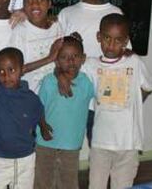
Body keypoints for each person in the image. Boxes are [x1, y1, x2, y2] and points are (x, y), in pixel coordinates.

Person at [58, 0, 126, 145]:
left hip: (103, 96)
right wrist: (60, 76)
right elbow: (57, 54)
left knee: (102, 144)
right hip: (73, 92)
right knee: (66, 141)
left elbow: (124, 54)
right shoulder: (67, 13)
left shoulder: (114, 13)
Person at [84, 14, 152, 189]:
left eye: (117, 40)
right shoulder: (90, 65)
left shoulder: (134, 62)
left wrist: (133, 104)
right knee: (96, 185)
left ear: (125, 41)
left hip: (127, 143)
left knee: (122, 186)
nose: (111, 45)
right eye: (107, 38)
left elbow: (147, 87)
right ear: (99, 37)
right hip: (100, 141)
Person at [34, 33, 95, 189]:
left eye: (75, 56)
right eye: (64, 57)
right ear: (56, 61)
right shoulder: (48, 81)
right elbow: (38, 108)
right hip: (45, 142)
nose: (70, 61)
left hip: (71, 145)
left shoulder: (87, 82)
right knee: (43, 182)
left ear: (83, 58)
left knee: (68, 183)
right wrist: (42, 127)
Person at [0, 48, 43, 189]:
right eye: (0, 71)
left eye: (11, 70)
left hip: (25, 160)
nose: (6, 76)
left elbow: (39, 112)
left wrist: (44, 127)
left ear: (22, 70)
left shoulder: (30, 97)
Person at [10, 0, 63, 93]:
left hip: (55, 95)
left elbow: (61, 60)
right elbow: (16, 70)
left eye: (41, 0)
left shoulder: (57, 26)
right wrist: (49, 58)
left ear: (49, 4)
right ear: (23, 6)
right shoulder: (20, 31)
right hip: (30, 96)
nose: (35, 4)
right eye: (29, 1)